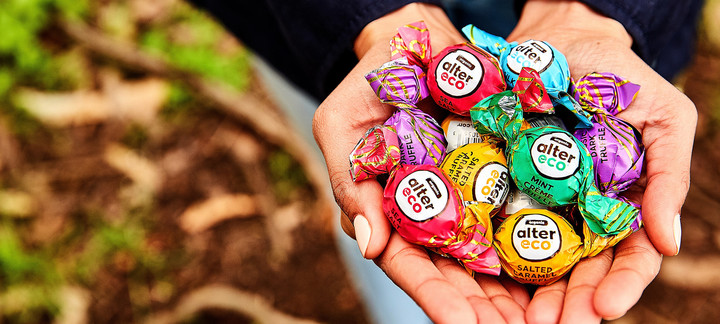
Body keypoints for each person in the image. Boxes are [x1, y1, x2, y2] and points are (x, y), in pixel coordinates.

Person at [187, 0, 703, 323]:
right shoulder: (402, 108)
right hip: (320, 35)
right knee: (350, 180)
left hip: (635, 27)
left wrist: (602, 12)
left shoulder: (574, 126)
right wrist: (366, 18)